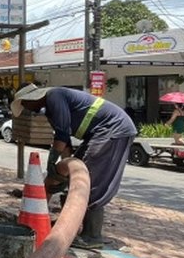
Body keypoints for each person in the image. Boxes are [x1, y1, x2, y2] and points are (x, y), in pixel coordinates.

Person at [10, 84, 136, 248]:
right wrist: (61, 174)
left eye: (25, 104)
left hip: (112, 130)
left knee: (89, 180)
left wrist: (51, 162)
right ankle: (69, 225)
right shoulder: (49, 109)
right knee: (75, 177)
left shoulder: (54, 96)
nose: (28, 109)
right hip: (98, 133)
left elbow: (62, 135)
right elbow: (66, 144)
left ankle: (92, 236)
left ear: (32, 98)